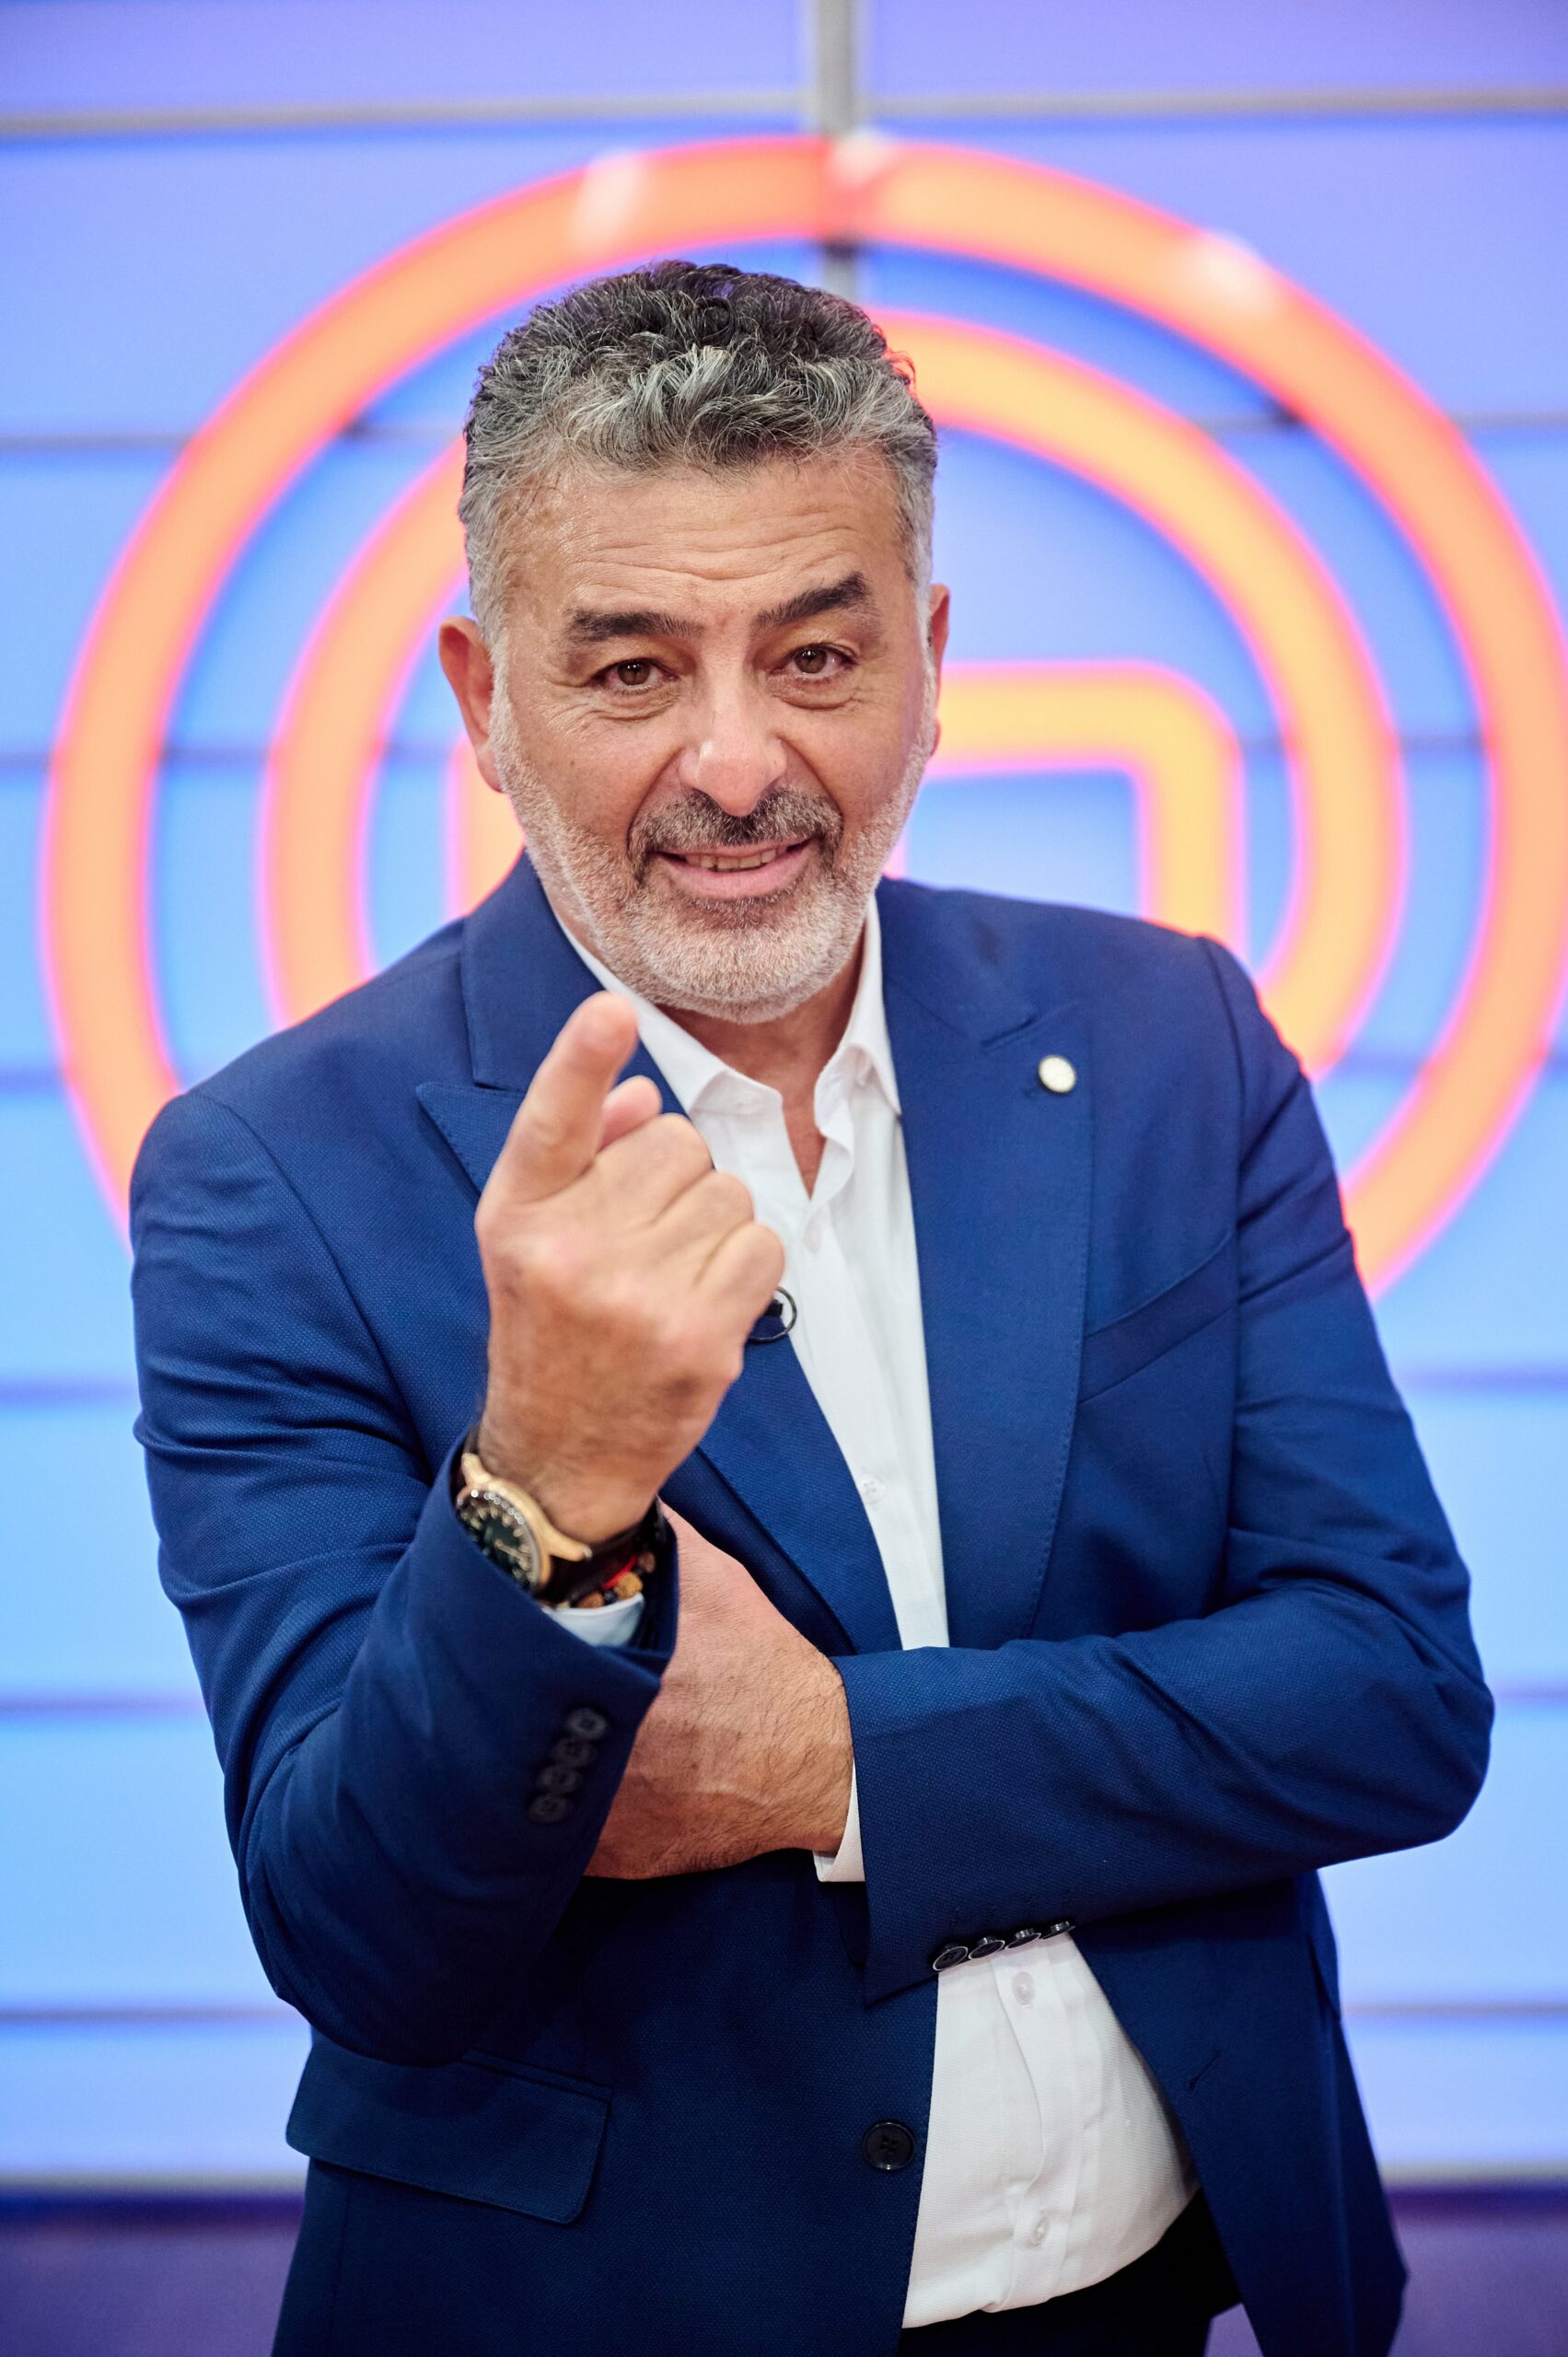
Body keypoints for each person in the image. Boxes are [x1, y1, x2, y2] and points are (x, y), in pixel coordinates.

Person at [130, 261, 1491, 2357]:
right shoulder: (271, 1170)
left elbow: (1392, 1694)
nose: (739, 761)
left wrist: (839, 1759)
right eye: (631, 670)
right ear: (484, 700)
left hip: (1167, 2284)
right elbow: (364, 1936)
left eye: (819, 654)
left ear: (931, 664)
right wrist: (543, 1484)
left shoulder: (1170, 1034)